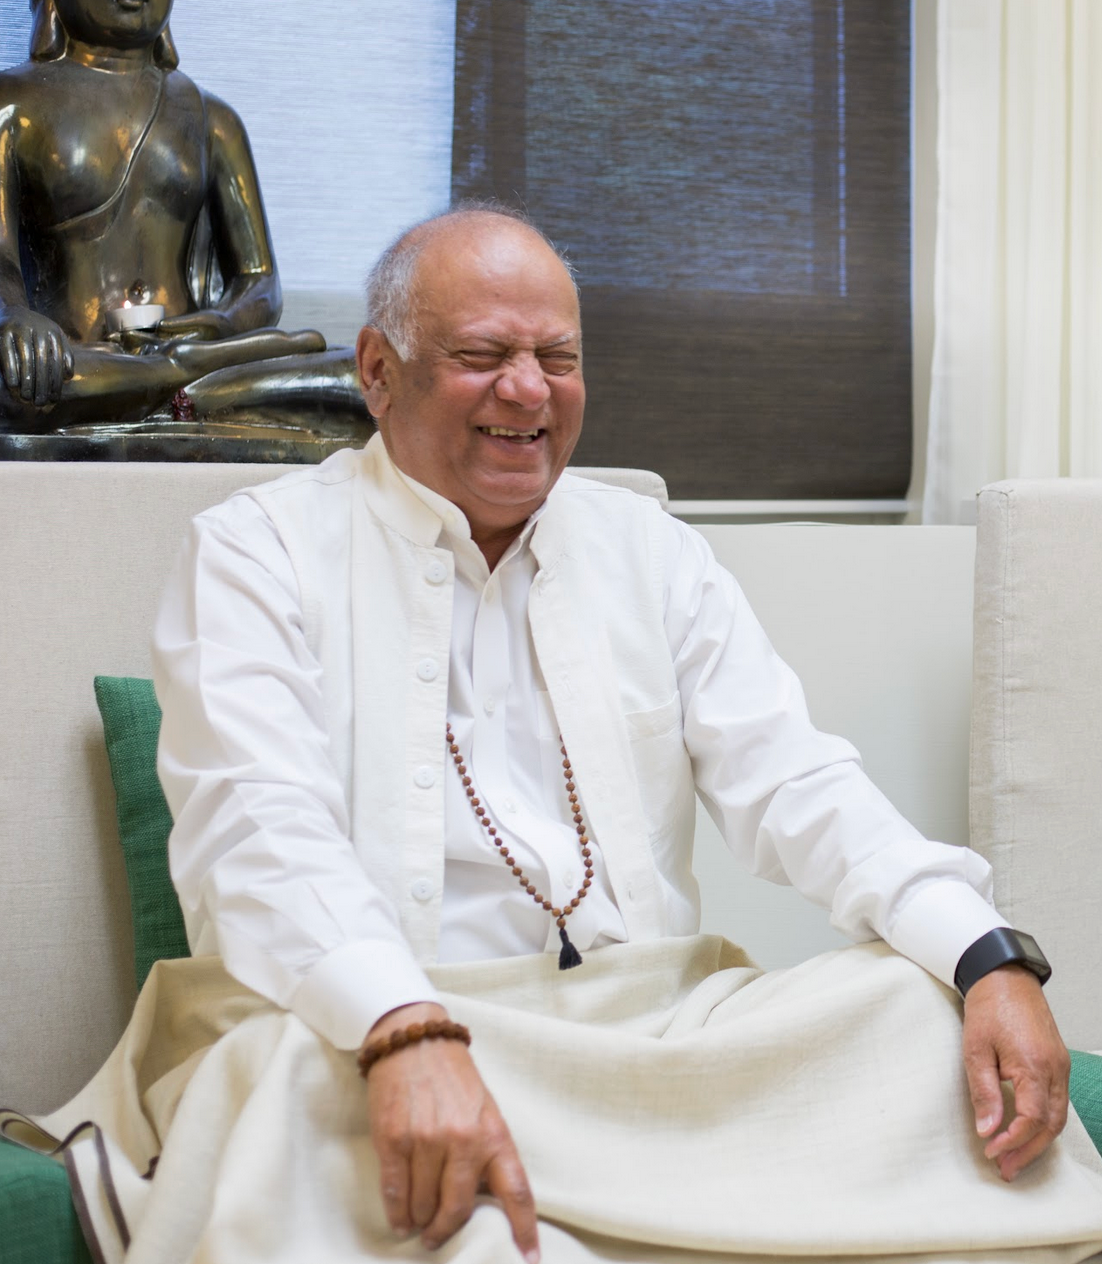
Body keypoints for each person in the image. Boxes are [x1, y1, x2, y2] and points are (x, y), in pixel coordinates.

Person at [31, 205, 1102, 1264]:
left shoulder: (654, 553)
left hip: (641, 1040)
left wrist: (985, 953)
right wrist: (403, 1027)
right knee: (283, 1081)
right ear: (378, 370)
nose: (528, 390)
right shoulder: (254, 553)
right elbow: (255, 832)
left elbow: (799, 784)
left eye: (557, 356)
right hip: (355, 1022)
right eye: (483, 354)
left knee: (905, 1006)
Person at [0, 0, 365, 431]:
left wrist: (221, 322)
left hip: (186, 350)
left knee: (359, 377)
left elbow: (259, 281)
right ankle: (193, 385)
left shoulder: (214, 119)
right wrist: (13, 315)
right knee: (24, 385)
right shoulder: (13, 103)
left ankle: (170, 383)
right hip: (76, 359)